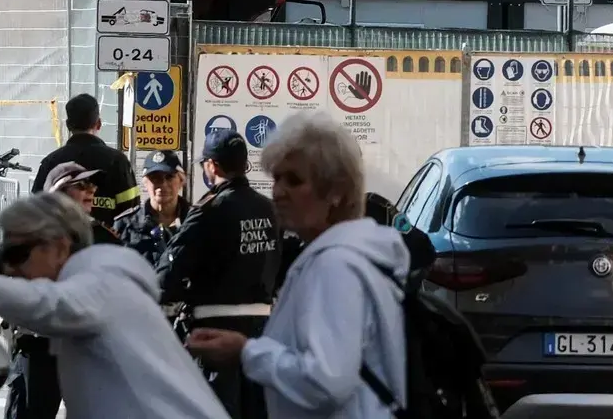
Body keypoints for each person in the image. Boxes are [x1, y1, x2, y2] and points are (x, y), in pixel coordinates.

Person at [187, 114, 407, 419]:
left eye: (294, 180)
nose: (278, 191)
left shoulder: (335, 265)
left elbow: (326, 382)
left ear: (336, 191)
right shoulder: (346, 255)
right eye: (276, 178)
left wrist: (245, 352)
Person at [0, 191, 228, 419]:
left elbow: (46, 305)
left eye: (17, 255)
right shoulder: (102, 278)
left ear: (59, 248)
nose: (9, 268)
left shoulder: (99, 285)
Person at [162, 130, 282, 419]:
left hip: (215, 337)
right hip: (263, 335)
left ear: (212, 166)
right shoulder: (270, 210)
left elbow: (168, 274)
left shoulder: (208, 209)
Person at [33, 94, 138, 227]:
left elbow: (35, 209)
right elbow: (132, 211)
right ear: (98, 123)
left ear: (68, 125)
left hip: (61, 245)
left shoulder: (51, 162)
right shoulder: (118, 162)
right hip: (106, 245)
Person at [115, 151, 187, 268]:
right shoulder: (125, 226)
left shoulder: (198, 222)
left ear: (181, 181)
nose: (163, 184)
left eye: (169, 177)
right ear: (145, 183)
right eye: (155, 178)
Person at [42, 164, 120, 245]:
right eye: (82, 185)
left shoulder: (101, 235)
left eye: (93, 185)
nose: (92, 190)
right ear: (59, 192)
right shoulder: (36, 234)